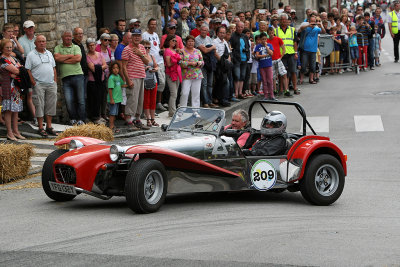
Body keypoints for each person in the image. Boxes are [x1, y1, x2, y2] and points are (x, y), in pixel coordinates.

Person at [25, 35, 58, 137]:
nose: (42, 43)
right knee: (39, 105)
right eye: (39, 41)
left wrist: (55, 81)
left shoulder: (49, 53)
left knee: (51, 105)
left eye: (43, 41)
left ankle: (49, 126)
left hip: (51, 83)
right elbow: (28, 70)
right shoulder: (31, 55)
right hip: (39, 84)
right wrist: (34, 82)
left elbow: (54, 68)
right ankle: (40, 127)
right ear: (35, 43)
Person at [54, 31, 86, 125]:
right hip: (65, 78)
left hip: (78, 75)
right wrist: (70, 56)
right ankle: (73, 118)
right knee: (69, 100)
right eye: (66, 36)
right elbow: (57, 58)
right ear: (62, 38)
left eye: (69, 36)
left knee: (80, 99)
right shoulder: (58, 47)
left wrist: (64, 60)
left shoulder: (76, 47)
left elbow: (78, 59)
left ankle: (81, 119)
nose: (68, 38)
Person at [121, 28, 150, 130]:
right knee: (132, 100)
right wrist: (128, 80)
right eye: (135, 36)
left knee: (139, 100)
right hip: (132, 77)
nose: (137, 37)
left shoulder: (142, 47)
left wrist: (140, 54)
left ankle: (137, 120)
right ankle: (129, 121)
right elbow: (123, 66)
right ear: (131, 37)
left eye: (138, 36)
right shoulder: (126, 49)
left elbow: (147, 62)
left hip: (141, 76)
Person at [0, 39, 24, 141]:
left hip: (16, 87)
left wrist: (19, 71)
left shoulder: (13, 58)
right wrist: (19, 71)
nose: (9, 49)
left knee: (16, 110)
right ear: (2, 49)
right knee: (9, 110)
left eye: (10, 47)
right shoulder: (2, 59)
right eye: (7, 47)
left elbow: (21, 69)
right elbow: (17, 70)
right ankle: (9, 133)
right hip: (8, 87)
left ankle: (16, 131)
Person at [142, 19, 167, 112]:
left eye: (155, 24)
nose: (153, 26)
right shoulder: (144, 35)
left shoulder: (156, 35)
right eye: (151, 24)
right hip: (151, 61)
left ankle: (158, 102)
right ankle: (153, 105)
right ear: (148, 25)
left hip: (159, 60)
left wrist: (162, 50)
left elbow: (157, 46)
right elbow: (144, 47)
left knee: (162, 83)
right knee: (154, 83)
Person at [275, 13, 299, 94]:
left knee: (293, 71)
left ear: (287, 20)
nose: (283, 21)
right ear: (279, 21)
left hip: (291, 53)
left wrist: (295, 52)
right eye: (282, 20)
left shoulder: (292, 29)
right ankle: (282, 89)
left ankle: (295, 88)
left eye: (285, 20)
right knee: (282, 73)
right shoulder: (276, 30)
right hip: (281, 55)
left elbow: (295, 42)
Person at [18, 20, 37, 124]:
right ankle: (34, 117)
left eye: (32, 27)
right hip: (26, 71)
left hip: (38, 70)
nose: (31, 30)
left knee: (38, 94)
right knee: (29, 94)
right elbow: (21, 56)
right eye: (29, 28)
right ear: (24, 29)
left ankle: (39, 116)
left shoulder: (37, 39)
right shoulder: (21, 40)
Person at [86, 38, 108, 124]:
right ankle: (95, 117)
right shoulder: (87, 57)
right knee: (94, 99)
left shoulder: (99, 54)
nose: (92, 47)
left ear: (95, 45)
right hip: (93, 81)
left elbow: (105, 65)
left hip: (101, 80)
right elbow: (92, 69)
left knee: (101, 98)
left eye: (93, 45)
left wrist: (97, 67)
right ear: (88, 47)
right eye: (90, 45)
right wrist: (99, 67)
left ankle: (101, 115)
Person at [298, 16, 325, 84]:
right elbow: (300, 29)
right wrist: (308, 25)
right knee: (303, 66)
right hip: (305, 50)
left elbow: (323, 32)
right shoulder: (306, 27)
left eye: (314, 21)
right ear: (309, 21)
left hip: (313, 50)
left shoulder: (316, 29)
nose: (313, 23)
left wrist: (320, 25)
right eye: (312, 21)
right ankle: (301, 79)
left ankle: (311, 79)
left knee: (312, 66)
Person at [195, 24, 217, 108]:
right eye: (202, 30)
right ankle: (205, 102)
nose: (204, 31)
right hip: (202, 63)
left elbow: (214, 49)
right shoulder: (197, 39)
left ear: (207, 31)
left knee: (210, 83)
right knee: (204, 84)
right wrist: (211, 47)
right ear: (200, 30)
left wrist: (209, 48)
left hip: (210, 63)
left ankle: (210, 100)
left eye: (205, 30)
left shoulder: (209, 38)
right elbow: (204, 50)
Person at [180, 35, 204, 109]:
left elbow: (202, 61)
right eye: (189, 41)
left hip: (197, 74)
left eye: (192, 41)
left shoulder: (197, 51)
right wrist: (190, 63)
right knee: (185, 93)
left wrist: (200, 63)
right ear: (186, 42)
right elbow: (180, 62)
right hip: (186, 75)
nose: (191, 43)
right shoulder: (182, 51)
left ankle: (195, 110)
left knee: (196, 93)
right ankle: (182, 110)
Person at [266, 27, 290, 96]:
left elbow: (283, 48)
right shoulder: (267, 41)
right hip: (271, 60)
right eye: (269, 33)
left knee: (283, 74)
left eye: (272, 33)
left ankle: (286, 90)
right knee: (273, 76)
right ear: (268, 33)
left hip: (278, 59)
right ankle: (275, 89)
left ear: (274, 32)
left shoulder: (278, 39)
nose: (271, 34)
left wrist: (281, 56)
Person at [141, 40, 159, 127]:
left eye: (149, 47)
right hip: (144, 80)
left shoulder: (151, 56)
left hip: (153, 79)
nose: (147, 49)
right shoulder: (140, 56)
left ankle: (152, 119)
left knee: (153, 100)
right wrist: (145, 69)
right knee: (146, 100)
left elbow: (156, 66)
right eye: (145, 47)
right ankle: (148, 119)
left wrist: (155, 69)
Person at [230, 21, 250, 100]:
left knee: (242, 76)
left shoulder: (245, 36)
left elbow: (247, 46)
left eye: (242, 27)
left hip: (244, 58)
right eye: (239, 27)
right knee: (237, 76)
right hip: (237, 59)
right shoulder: (233, 36)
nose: (240, 28)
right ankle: (236, 92)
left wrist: (247, 54)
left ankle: (240, 92)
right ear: (236, 27)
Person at [163, 34, 182, 117]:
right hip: (170, 73)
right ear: (168, 41)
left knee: (176, 93)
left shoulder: (175, 50)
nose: (174, 42)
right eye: (173, 40)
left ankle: (172, 111)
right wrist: (176, 60)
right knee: (173, 93)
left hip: (177, 72)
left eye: (175, 41)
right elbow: (168, 64)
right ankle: (172, 112)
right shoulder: (167, 50)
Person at [213, 26, 232, 107]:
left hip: (226, 65)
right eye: (221, 32)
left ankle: (224, 98)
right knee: (223, 82)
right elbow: (215, 53)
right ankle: (222, 99)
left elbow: (228, 53)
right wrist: (223, 62)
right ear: (217, 33)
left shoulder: (225, 42)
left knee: (226, 82)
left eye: (224, 33)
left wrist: (228, 63)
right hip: (219, 65)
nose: (222, 34)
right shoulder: (214, 41)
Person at [114, 31, 131, 119]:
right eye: (129, 38)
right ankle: (123, 114)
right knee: (124, 96)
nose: (130, 40)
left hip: (127, 75)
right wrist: (124, 77)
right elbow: (120, 65)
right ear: (124, 38)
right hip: (123, 76)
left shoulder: (126, 47)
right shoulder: (121, 48)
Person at [107, 62, 127, 133]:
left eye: (117, 68)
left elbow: (121, 84)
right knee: (112, 113)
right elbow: (110, 89)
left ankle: (113, 125)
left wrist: (128, 84)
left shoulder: (118, 76)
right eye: (114, 68)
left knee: (114, 113)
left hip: (117, 99)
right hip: (113, 99)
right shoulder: (111, 78)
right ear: (111, 69)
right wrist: (111, 99)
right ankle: (111, 126)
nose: (116, 70)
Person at [255, 33, 274, 100]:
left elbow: (271, 53)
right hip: (262, 65)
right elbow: (257, 55)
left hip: (268, 65)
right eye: (263, 39)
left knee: (270, 80)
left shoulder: (269, 45)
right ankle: (266, 95)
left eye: (265, 39)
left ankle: (271, 95)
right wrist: (265, 55)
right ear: (260, 39)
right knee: (264, 81)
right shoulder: (258, 46)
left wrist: (266, 47)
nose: (264, 40)